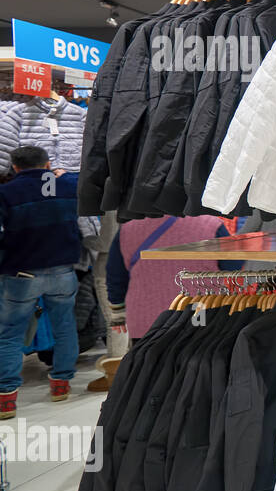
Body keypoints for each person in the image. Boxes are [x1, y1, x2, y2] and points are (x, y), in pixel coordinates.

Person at [0, 146, 82, 417]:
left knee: (10, 333)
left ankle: (7, 398)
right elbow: (81, 182)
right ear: (47, 164)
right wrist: (63, 176)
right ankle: (61, 384)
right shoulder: (67, 185)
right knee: (65, 326)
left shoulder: (6, 193)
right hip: (62, 270)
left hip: (21, 273)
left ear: (14, 167)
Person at [105, 214, 240, 347]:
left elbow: (115, 275)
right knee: (199, 368)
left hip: (145, 321)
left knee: (148, 367)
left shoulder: (128, 230)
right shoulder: (211, 225)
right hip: (200, 318)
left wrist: (118, 313)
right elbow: (234, 269)